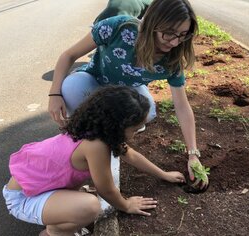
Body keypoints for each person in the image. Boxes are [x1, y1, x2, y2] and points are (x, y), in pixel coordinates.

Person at [47, 0, 209, 189]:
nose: (174, 42)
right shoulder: (118, 27)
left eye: (182, 35)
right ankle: (86, 132)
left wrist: (193, 154)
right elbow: (69, 55)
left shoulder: (172, 60)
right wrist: (54, 93)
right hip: (94, 82)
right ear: (152, 24)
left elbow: (182, 105)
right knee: (71, 89)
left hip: (126, 93)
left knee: (147, 113)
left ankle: (111, 129)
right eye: (169, 34)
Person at [3, 86, 185, 236]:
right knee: (89, 207)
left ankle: (59, 221)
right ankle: (54, 232)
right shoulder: (95, 145)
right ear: (117, 126)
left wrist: (164, 174)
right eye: (135, 128)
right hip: (24, 199)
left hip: (36, 188)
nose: (136, 133)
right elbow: (106, 189)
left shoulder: (94, 128)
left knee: (85, 202)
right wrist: (126, 205)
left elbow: (131, 155)